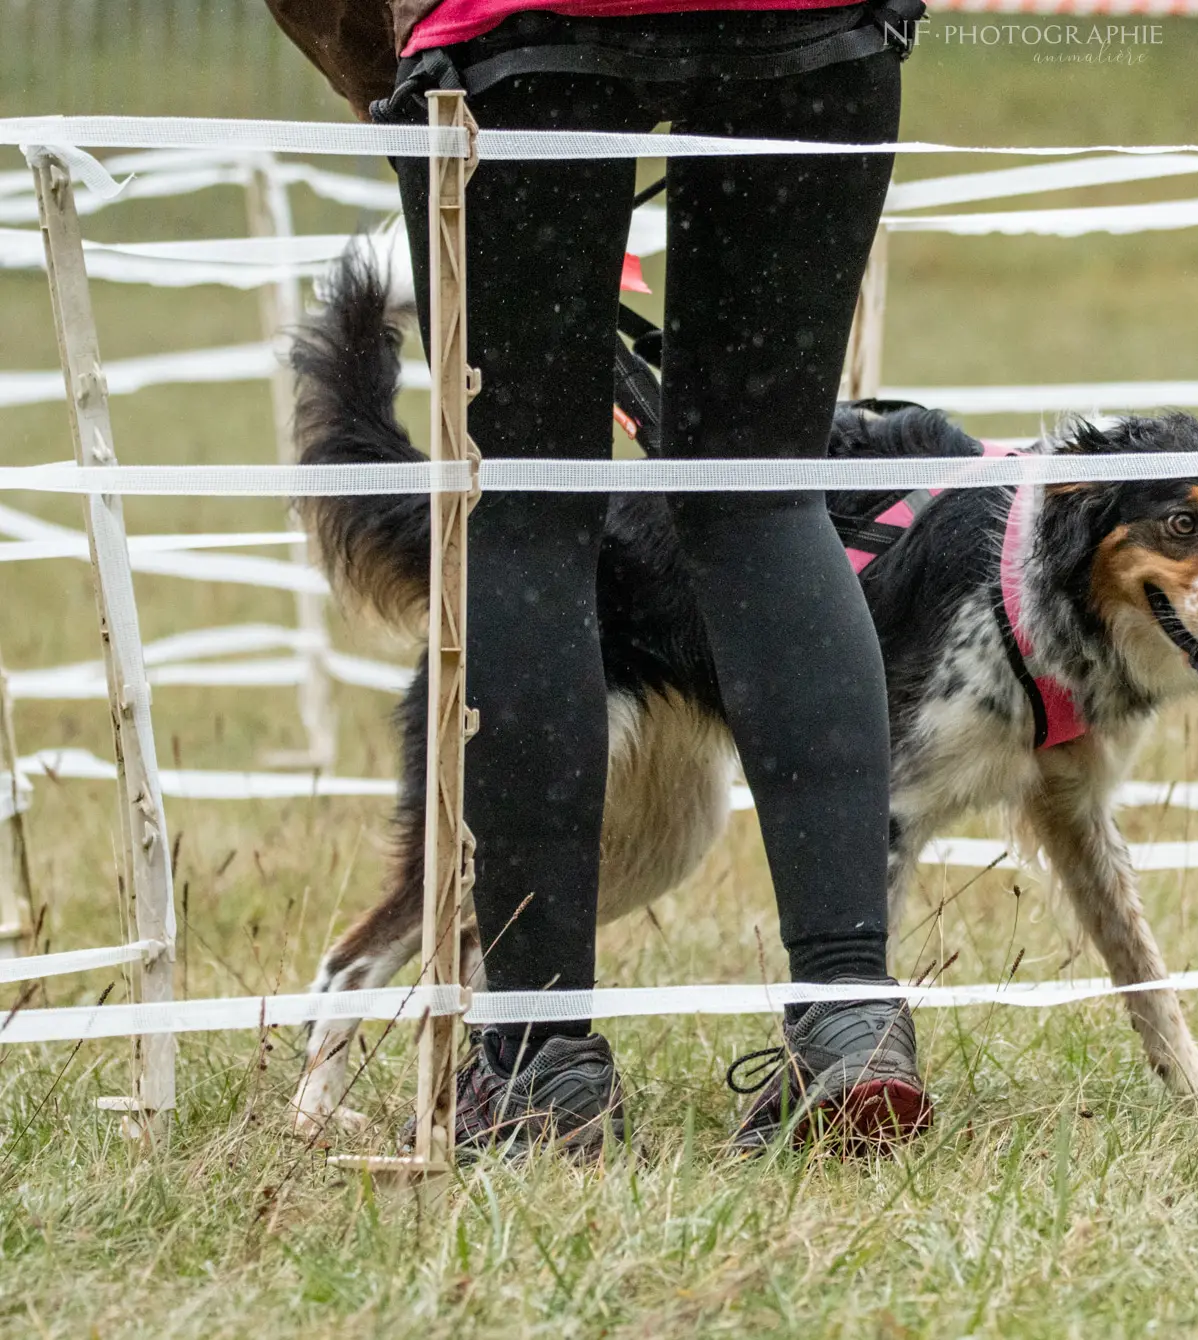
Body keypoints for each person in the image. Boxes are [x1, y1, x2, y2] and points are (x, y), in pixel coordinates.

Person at [266, 0, 931, 1157]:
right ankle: (850, 1018)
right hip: (816, 27)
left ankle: (538, 1063)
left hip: (529, 34)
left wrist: (399, 78)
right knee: (765, 498)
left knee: (524, 510)